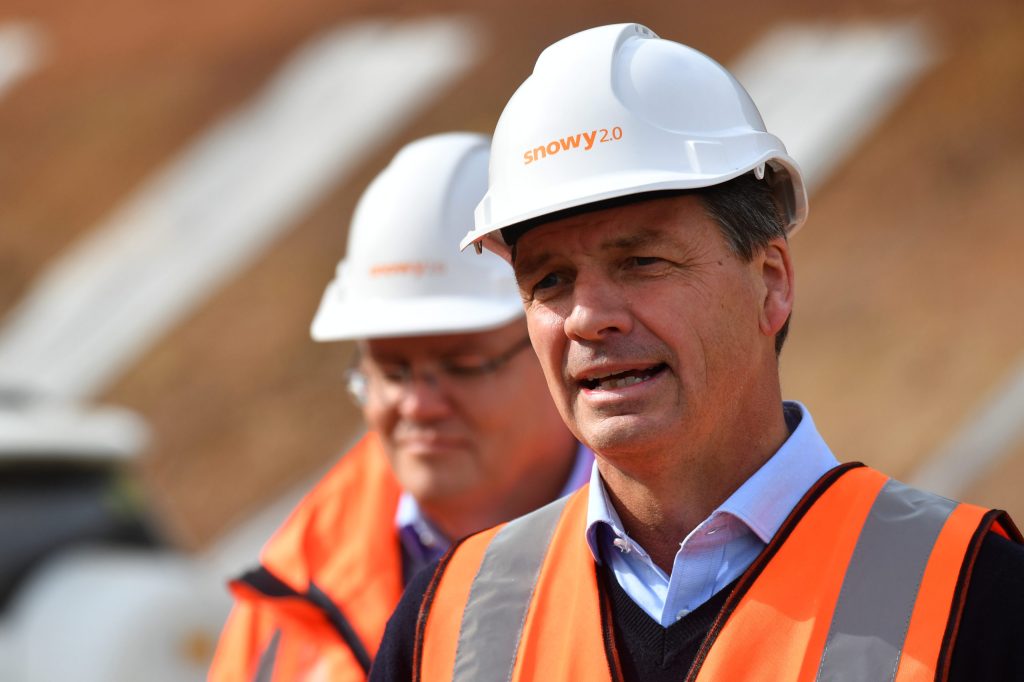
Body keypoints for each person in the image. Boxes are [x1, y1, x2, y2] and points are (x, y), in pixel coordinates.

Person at [370, 25, 1024, 681]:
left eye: (640, 262)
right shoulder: (445, 628)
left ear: (770, 282)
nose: (588, 319)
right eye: (550, 281)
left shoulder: (977, 597)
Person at [208, 133, 588, 681]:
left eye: (461, 364)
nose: (418, 404)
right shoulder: (292, 596)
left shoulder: (678, 534)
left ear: (553, 337)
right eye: (390, 370)